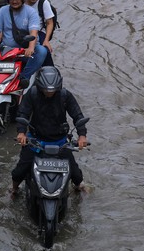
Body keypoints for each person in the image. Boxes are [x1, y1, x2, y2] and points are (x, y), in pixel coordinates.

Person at [10, 66, 89, 195]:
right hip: (36, 141)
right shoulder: (32, 94)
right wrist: (21, 132)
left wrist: (82, 135)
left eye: (51, 91)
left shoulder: (65, 95)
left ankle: (79, 186)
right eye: (46, 90)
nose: (49, 93)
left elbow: (77, 115)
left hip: (60, 142)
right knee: (20, 171)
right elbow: (23, 114)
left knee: (76, 175)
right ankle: (13, 189)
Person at [25, 0, 55, 67]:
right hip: (22, 31)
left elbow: (49, 23)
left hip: (38, 32)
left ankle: (49, 71)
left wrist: (46, 40)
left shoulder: (43, 3)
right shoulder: (20, 2)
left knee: (45, 51)